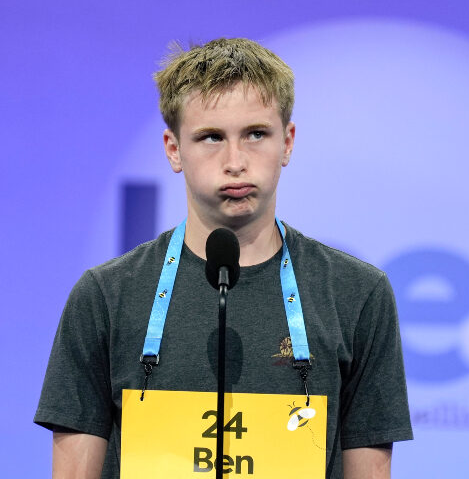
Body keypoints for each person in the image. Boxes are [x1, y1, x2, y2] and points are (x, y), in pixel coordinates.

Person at [35, 38, 412, 478]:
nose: (235, 161)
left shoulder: (356, 294)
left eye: (256, 134)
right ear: (174, 149)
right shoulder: (105, 297)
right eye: (211, 137)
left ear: (287, 142)